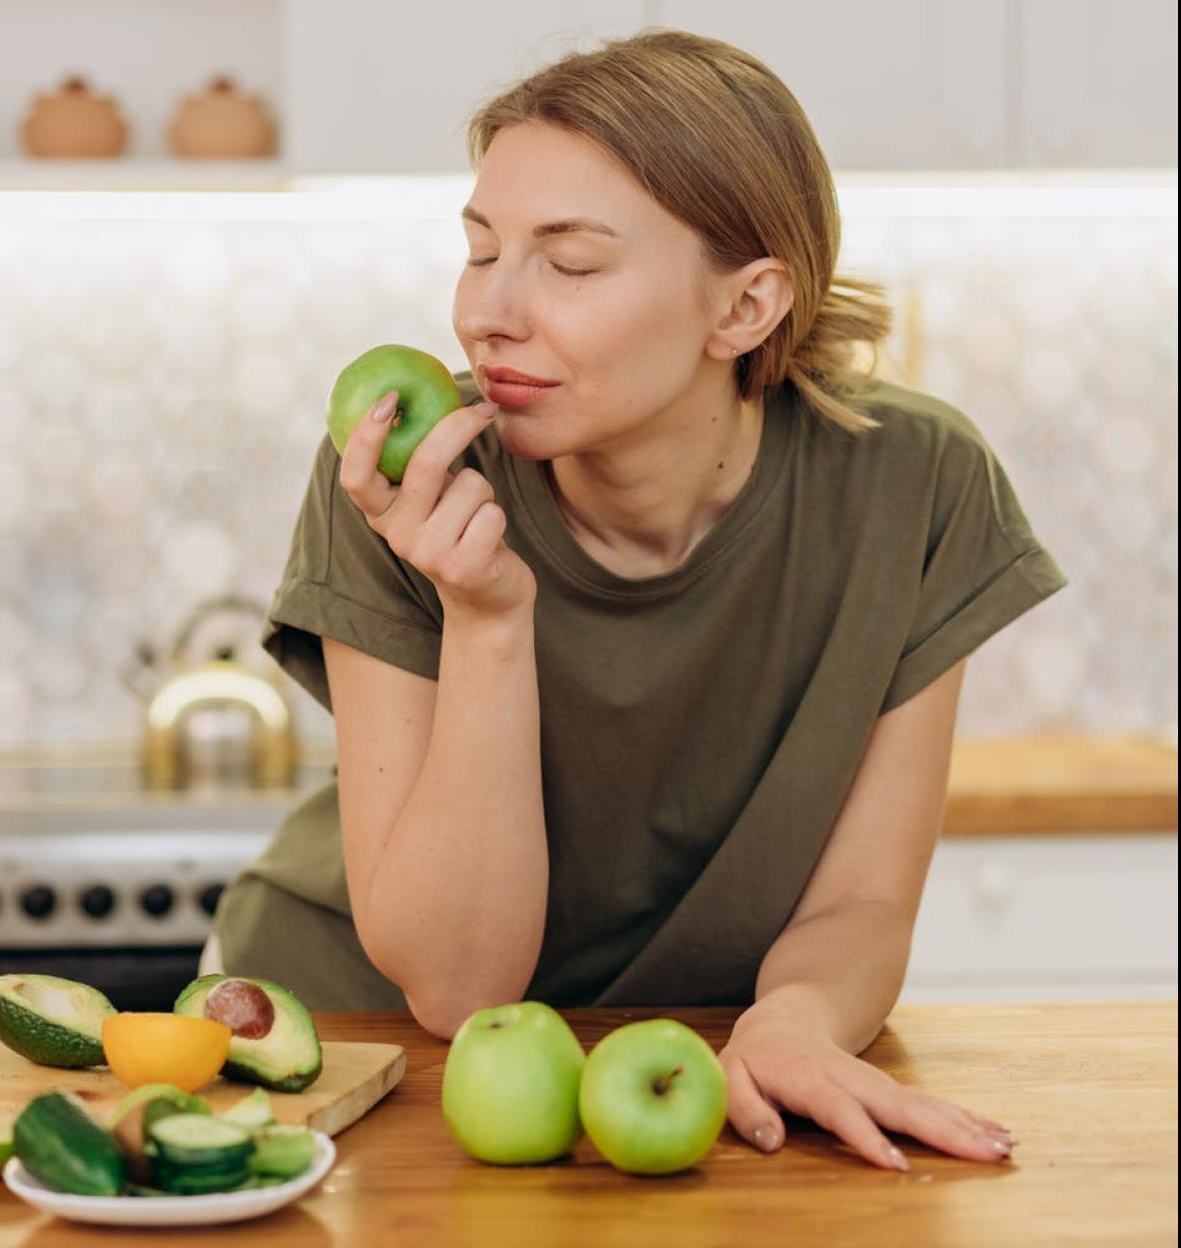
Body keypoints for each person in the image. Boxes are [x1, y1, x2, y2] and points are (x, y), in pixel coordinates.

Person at [208, 28, 1065, 1171]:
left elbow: (861, 899)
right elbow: (459, 989)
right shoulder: (416, 484)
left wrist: (792, 1026)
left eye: (569, 264)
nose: (487, 315)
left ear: (745, 307)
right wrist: (489, 620)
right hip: (358, 1052)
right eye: (479, 251)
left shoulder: (916, 486)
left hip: (689, 1061)